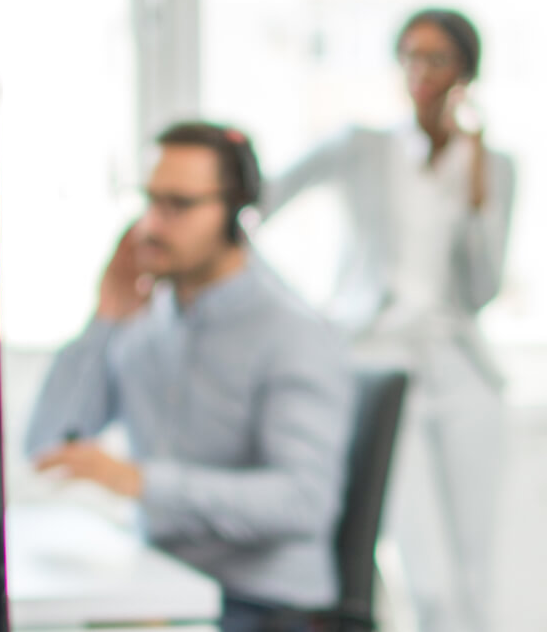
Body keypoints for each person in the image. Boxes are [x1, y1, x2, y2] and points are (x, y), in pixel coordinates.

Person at [25, 121, 356, 632]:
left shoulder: (293, 333)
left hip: (261, 604)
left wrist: (140, 481)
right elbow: (47, 445)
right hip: (163, 586)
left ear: (235, 211)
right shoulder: (143, 321)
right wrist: (104, 320)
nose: (152, 226)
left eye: (177, 205)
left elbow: (304, 502)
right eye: (150, 201)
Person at [258, 7, 514, 632]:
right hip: (378, 367)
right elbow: (259, 202)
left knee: (475, 577)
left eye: (436, 58)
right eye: (409, 56)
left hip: (461, 373)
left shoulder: (495, 166)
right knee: (429, 579)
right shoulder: (361, 148)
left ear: (465, 72)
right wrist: (310, 316)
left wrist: (476, 185)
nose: (419, 72)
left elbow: (482, 290)